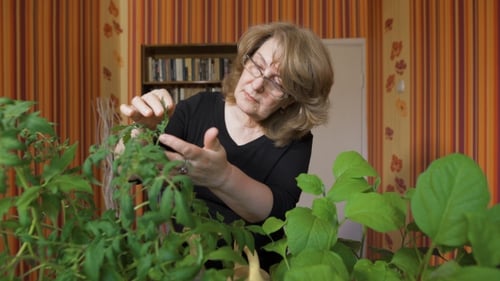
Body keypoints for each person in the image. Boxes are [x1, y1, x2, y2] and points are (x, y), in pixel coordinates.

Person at [119, 22, 334, 270]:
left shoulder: (297, 141)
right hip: (180, 263)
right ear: (246, 60)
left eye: (277, 82)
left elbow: (276, 209)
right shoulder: (196, 107)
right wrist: (141, 130)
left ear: (292, 99)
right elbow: (130, 170)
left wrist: (223, 177)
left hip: (251, 269)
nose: (257, 84)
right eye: (257, 65)